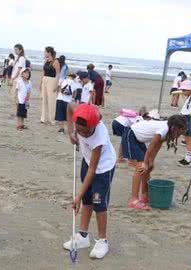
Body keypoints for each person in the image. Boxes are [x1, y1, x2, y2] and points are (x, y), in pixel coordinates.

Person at [63, 103, 116, 259]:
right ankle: (83, 236)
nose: (83, 135)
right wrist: (71, 131)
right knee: (87, 200)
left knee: (98, 203)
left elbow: (93, 169)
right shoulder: (80, 113)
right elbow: (69, 106)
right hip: (87, 161)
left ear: (94, 126)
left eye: (85, 132)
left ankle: (102, 241)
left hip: (102, 168)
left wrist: (77, 196)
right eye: (80, 131)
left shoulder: (99, 138)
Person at [124, 115, 187, 210]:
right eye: (178, 133)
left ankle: (144, 195)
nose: (178, 136)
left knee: (148, 168)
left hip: (139, 139)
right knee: (140, 167)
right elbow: (152, 144)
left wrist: (151, 161)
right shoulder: (163, 130)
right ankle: (134, 200)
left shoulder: (168, 131)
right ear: (174, 128)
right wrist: (145, 162)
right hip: (131, 135)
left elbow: (158, 144)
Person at [40, 46, 60, 125]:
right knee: (44, 99)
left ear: (49, 53)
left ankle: (52, 119)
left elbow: (58, 74)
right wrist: (41, 82)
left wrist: (56, 85)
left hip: (52, 80)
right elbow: (43, 72)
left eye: (45, 52)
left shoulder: (55, 62)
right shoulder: (46, 61)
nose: (44, 53)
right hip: (45, 79)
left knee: (51, 100)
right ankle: (43, 118)